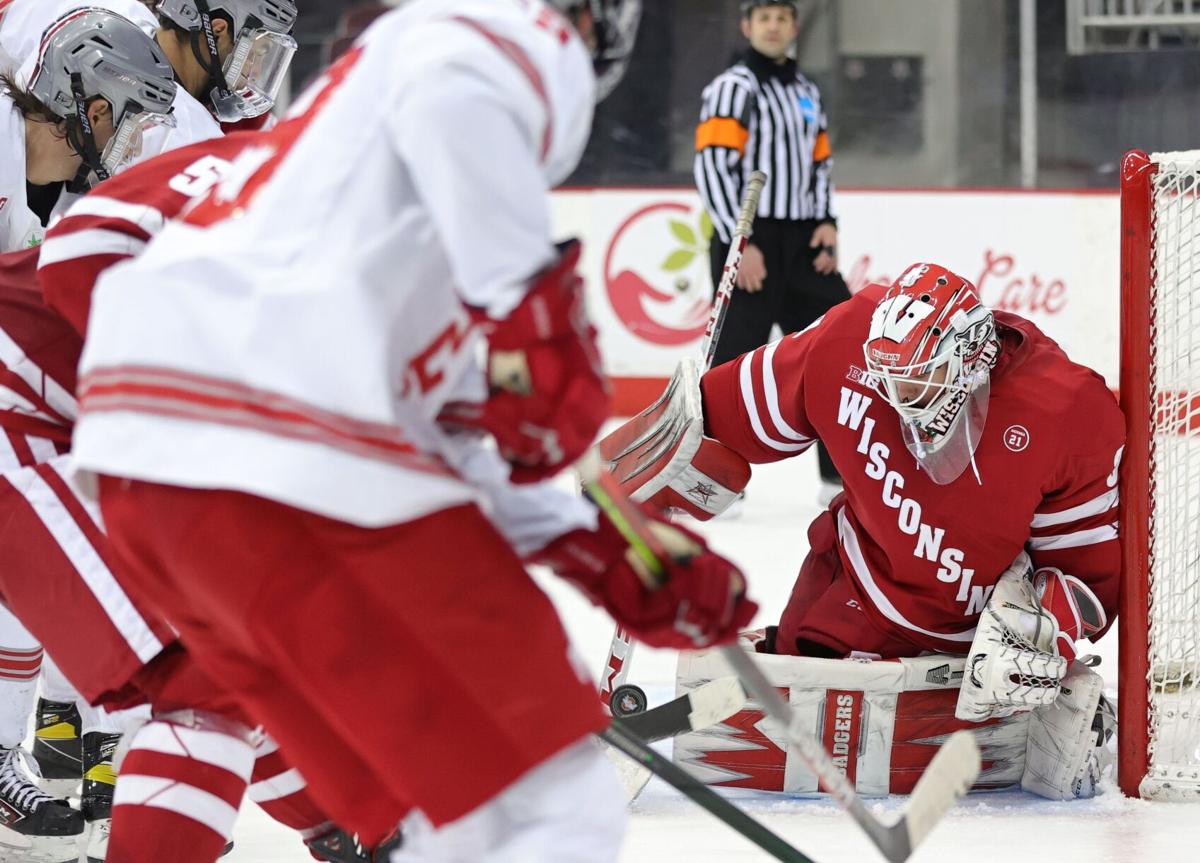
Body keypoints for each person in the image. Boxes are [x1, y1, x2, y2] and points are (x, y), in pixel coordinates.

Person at [71, 1, 755, 860]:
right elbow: (457, 80)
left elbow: (444, 444)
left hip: (156, 477)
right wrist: (527, 303)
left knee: (445, 807)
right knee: (552, 805)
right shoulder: (490, 39)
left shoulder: (370, 215)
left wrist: (601, 546)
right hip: (286, 457)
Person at [616, 261, 1123, 798]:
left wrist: (1041, 627)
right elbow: (732, 413)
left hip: (962, 649)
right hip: (844, 596)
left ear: (973, 356)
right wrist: (671, 443)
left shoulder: (1068, 412)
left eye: (918, 380)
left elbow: (1089, 578)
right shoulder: (848, 339)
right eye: (890, 380)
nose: (900, 399)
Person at [694, 0, 849, 505]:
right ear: (747, 26)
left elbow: (819, 164)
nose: (774, 26)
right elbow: (714, 166)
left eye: (782, 18)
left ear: (793, 27)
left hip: (803, 242)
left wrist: (826, 223)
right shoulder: (732, 88)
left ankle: (841, 479)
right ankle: (715, 481)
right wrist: (744, 244)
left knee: (841, 347)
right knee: (732, 366)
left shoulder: (806, 92)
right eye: (764, 18)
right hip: (750, 238)